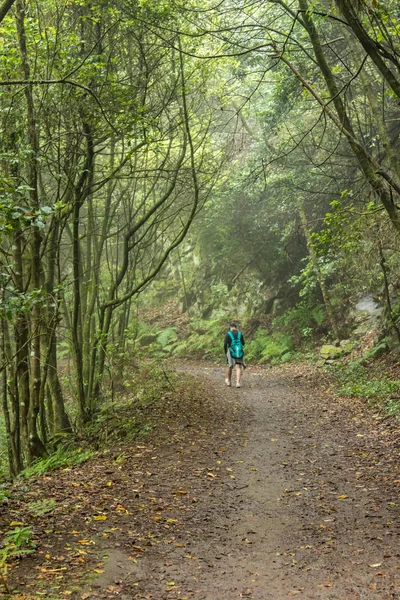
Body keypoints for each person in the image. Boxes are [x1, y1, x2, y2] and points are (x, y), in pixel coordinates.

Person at [224, 321, 245, 388]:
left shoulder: (228, 334)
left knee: (230, 366)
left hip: (231, 351)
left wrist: (225, 352)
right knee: (238, 366)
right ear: (236, 327)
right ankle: (238, 383)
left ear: (230, 327)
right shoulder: (240, 333)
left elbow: (225, 344)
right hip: (238, 351)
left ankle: (229, 382)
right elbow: (243, 343)